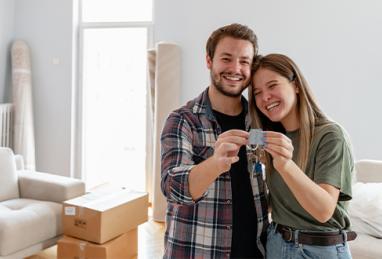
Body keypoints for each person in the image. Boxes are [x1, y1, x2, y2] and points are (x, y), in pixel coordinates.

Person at [161, 23, 268, 258]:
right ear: (209, 61)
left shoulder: (260, 122)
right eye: (226, 59)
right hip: (198, 252)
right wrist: (216, 163)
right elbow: (172, 187)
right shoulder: (182, 120)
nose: (235, 68)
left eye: (244, 61)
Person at [249, 53, 356, 259]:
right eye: (257, 92)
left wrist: (286, 166)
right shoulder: (274, 139)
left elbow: (323, 210)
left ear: (296, 85)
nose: (265, 97)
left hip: (319, 250)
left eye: (272, 85)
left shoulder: (330, 135)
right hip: (277, 244)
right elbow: (282, 202)